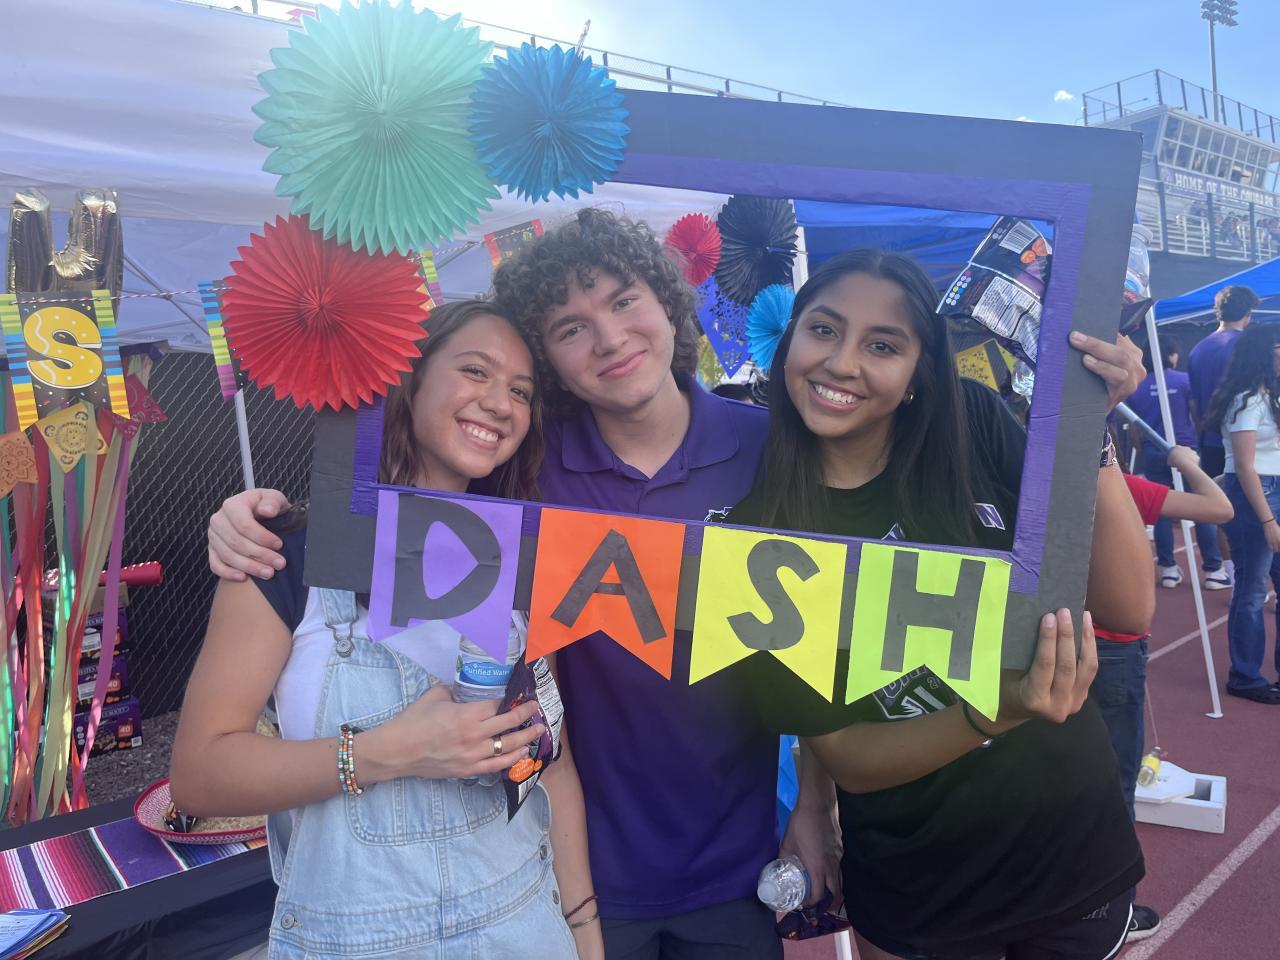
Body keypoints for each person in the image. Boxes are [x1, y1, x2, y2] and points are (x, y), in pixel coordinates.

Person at [205, 211, 1146, 959]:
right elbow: (409, 495)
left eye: (625, 302)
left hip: (734, 866)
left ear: (668, 302)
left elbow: (835, 632)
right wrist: (259, 515)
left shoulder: (777, 450)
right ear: (551, 362)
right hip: (573, 868)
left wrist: (812, 808)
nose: (610, 338)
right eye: (570, 329)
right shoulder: (525, 468)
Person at [729, 249, 1150, 960]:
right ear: (789, 340)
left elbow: (1128, 607)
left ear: (919, 373)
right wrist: (1000, 708)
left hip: (1069, 851)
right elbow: (848, 754)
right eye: (824, 330)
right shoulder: (756, 529)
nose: (842, 363)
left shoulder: (974, 423)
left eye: (883, 345)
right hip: (918, 885)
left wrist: (1088, 432)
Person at [171, 301, 604, 959]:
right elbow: (200, 775)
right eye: (476, 371)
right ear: (410, 379)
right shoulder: (289, 556)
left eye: (521, 392)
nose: (500, 403)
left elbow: (554, 761)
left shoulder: (521, 560)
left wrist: (583, 929)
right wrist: (387, 753)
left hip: (526, 927)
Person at [1091, 445, 1233, 942]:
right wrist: (1186, 461)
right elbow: (1219, 508)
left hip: (1040, 640)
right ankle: (1112, 912)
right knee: (1113, 785)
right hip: (1110, 648)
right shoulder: (1117, 487)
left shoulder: (1016, 475)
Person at [1204, 322, 1280, 705]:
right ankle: (1245, 676)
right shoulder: (1246, 401)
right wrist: (1268, 520)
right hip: (1255, 494)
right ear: (1264, 352)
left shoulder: (1269, 396)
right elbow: (1246, 467)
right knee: (1252, 590)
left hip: (1270, 489)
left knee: (1259, 588)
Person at [1126, 336, 1229, 590]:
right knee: (1201, 508)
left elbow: (1134, 428)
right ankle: (1214, 570)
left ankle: (1168, 569)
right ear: (1172, 356)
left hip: (1154, 451)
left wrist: (1143, 450)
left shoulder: (1138, 385)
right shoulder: (1184, 380)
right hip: (1185, 450)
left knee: (1160, 508)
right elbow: (1196, 414)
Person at [1188, 285, 1261, 584]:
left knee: (1213, 505)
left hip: (1210, 440)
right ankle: (1248, 576)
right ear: (1248, 314)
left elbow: (1194, 404)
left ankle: (1221, 571)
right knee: (1257, 508)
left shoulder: (1198, 349)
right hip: (1248, 440)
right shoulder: (1248, 346)